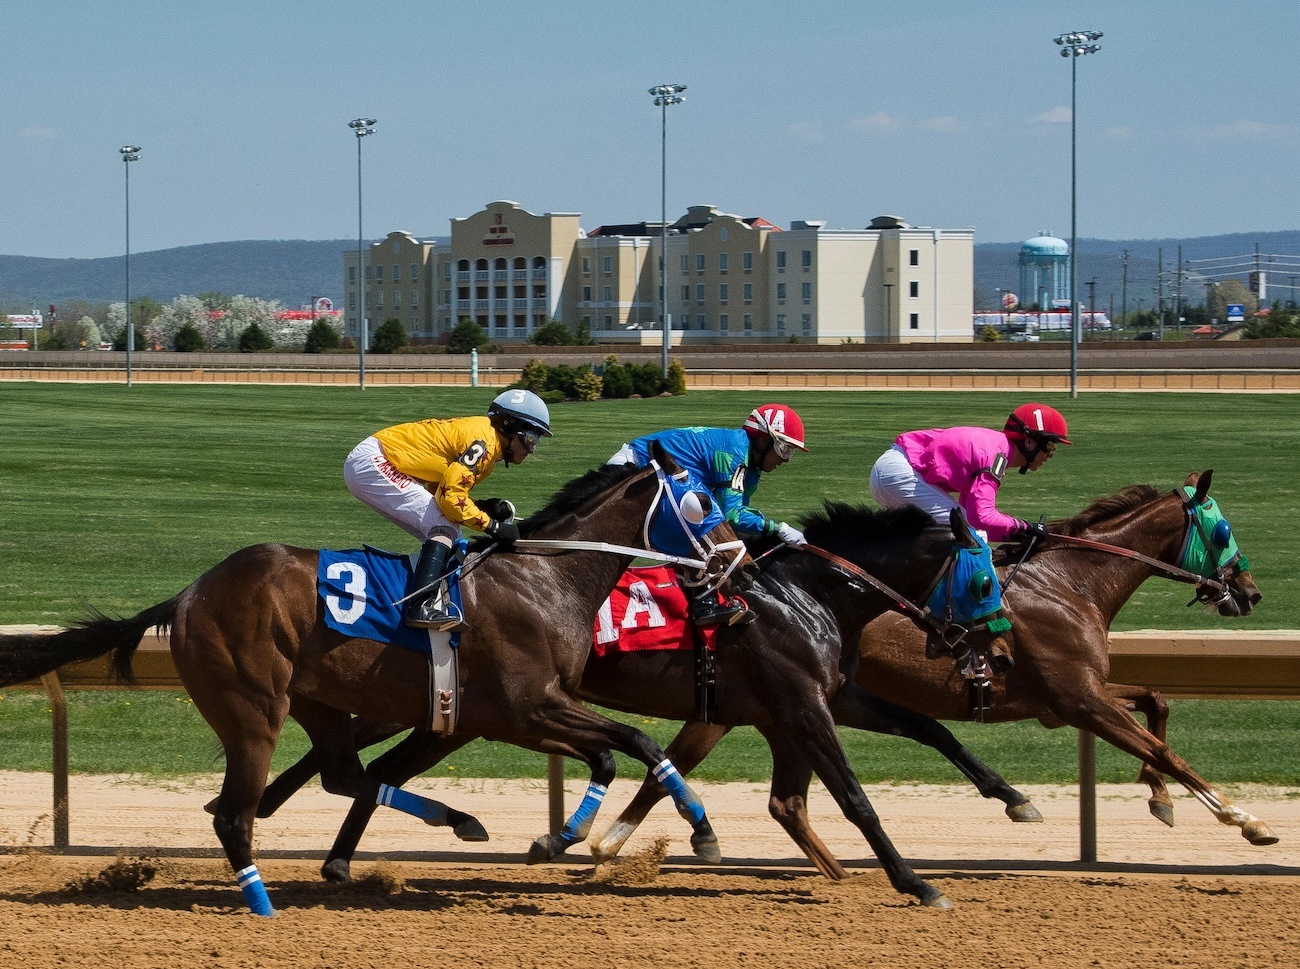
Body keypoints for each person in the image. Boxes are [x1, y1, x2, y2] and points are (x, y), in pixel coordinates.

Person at [343, 388, 552, 631]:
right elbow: (450, 499)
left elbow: (440, 492)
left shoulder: (485, 441)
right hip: (374, 463)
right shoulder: (483, 445)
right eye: (530, 439)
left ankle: (432, 599)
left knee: (448, 531)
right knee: (443, 526)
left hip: (372, 462)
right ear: (509, 426)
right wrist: (492, 526)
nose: (531, 449)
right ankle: (419, 605)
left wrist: (480, 506)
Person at [609, 403, 809, 627]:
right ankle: (702, 604)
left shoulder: (749, 468)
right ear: (763, 441)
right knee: (703, 530)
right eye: (785, 449)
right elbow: (731, 515)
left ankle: (702, 600)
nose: (786, 459)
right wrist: (779, 529)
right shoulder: (732, 454)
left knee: (713, 533)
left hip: (660, 479)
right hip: (634, 471)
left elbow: (734, 523)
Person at [869, 402, 1072, 544]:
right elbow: (983, 516)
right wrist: (1024, 526)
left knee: (965, 532)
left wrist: (1012, 535)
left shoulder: (995, 448)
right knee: (968, 538)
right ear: (1029, 442)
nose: (1049, 455)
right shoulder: (996, 457)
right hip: (900, 475)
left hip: (892, 471)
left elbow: (975, 518)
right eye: (1049, 447)